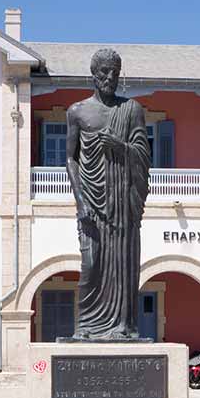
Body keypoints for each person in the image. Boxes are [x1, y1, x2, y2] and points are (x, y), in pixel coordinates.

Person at [66, 48, 151, 340]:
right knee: (91, 263)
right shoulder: (77, 111)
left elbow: (143, 153)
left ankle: (122, 325)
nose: (110, 78)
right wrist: (80, 202)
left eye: (115, 72)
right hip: (91, 201)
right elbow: (70, 158)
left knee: (123, 264)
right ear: (93, 74)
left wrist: (120, 146)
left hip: (122, 203)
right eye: (104, 72)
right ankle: (86, 326)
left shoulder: (132, 110)